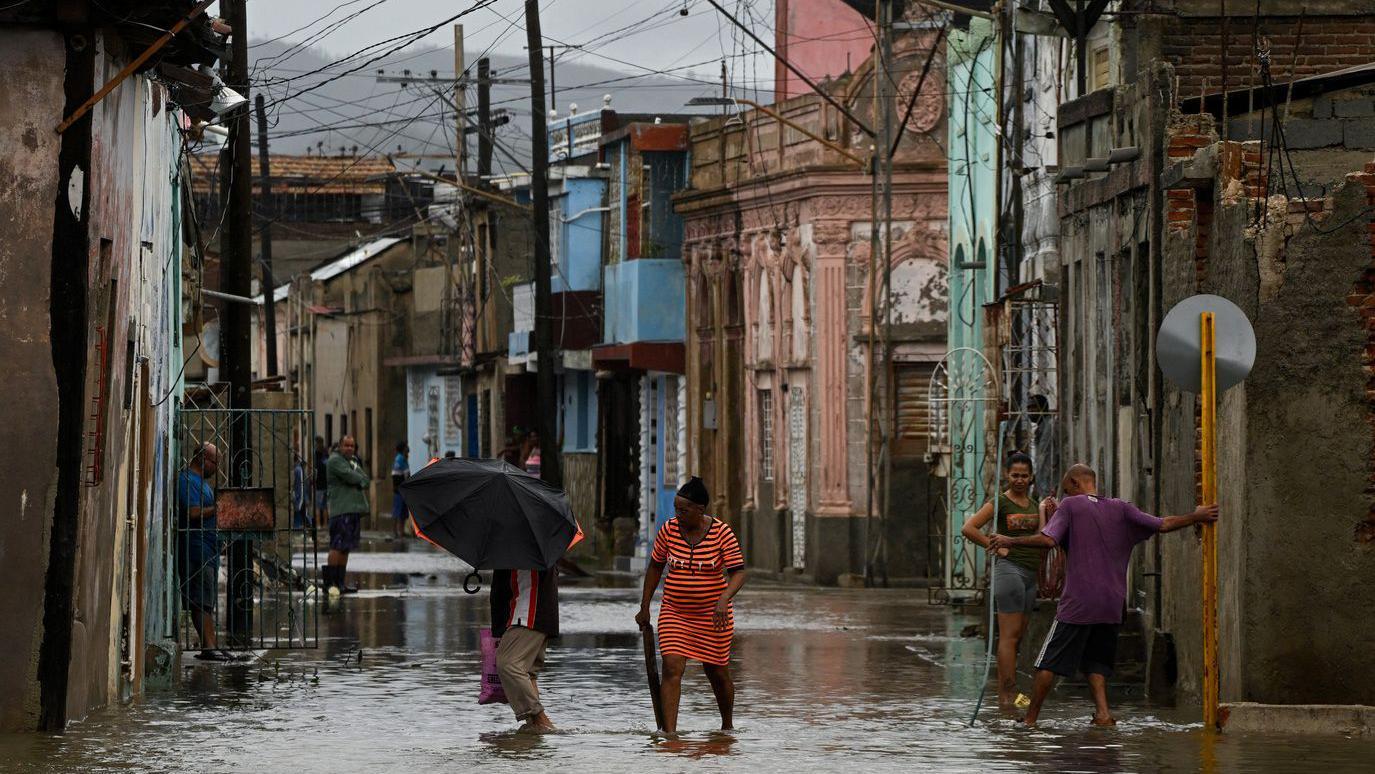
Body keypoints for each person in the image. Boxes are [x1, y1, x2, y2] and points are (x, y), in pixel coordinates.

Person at [989, 463, 1219, 726]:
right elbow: (1164, 525)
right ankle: (1103, 714)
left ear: (1075, 484)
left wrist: (1010, 540)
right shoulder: (1122, 508)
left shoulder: (1071, 506)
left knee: (1048, 661)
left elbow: (1048, 541)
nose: (1065, 497)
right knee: (1096, 661)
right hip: (1112, 604)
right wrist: (1197, 516)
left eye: (1066, 491)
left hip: (1079, 602)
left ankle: (1030, 719)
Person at [635, 477, 747, 735]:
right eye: (676, 509)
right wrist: (645, 606)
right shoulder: (669, 530)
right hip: (675, 612)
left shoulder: (722, 532)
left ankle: (727, 727)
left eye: (683, 510)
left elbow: (739, 573)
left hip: (713, 617)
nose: (678, 515)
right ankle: (670, 735)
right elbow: (655, 567)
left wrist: (723, 599)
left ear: (700, 509)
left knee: (717, 672)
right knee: (672, 666)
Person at [961, 451, 1049, 711]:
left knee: (1018, 636)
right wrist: (996, 548)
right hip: (1009, 571)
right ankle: (1006, 695)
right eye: (1014, 475)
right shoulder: (999, 502)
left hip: (1030, 575)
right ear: (1006, 475)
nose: (1019, 480)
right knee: (1008, 637)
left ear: (1031, 477)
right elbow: (969, 528)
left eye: (1024, 475)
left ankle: (1012, 690)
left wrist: (1045, 509)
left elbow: (1043, 537)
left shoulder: (1035, 504)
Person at [491, 568, 559, 733]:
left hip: (528, 614)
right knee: (527, 673)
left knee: (508, 663)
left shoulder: (525, 547)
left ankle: (540, 720)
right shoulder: (530, 547)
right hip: (530, 614)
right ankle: (536, 729)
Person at [176, 442, 227, 661]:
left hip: (209, 547)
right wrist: (218, 508)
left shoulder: (203, 485)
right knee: (201, 600)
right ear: (203, 459)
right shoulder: (187, 481)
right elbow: (192, 513)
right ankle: (208, 647)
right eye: (215, 463)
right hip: (196, 547)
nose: (216, 468)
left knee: (207, 599)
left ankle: (212, 644)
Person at [325, 435, 370, 594]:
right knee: (337, 546)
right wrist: (358, 479)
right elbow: (352, 477)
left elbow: (365, 479)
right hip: (341, 510)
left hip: (352, 510)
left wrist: (358, 478)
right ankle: (331, 584)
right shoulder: (335, 461)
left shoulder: (353, 461)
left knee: (346, 548)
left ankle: (340, 583)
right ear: (340, 446)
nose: (350, 449)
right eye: (347, 446)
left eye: (352, 446)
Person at [390, 441, 411, 539]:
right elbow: (395, 475)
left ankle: (401, 531)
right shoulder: (399, 459)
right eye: (406, 447)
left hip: (403, 489)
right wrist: (398, 488)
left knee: (402, 512)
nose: (408, 448)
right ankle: (395, 531)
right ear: (403, 448)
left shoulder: (404, 459)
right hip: (399, 489)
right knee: (397, 511)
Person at [313, 436, 330, 528]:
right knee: (325, 507)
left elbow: (314, 469)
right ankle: (325, 524)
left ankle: (319, 524)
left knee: (318, 507)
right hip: (326, 484)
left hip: (319, 484)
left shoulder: (316, 455)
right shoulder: (326, 454)